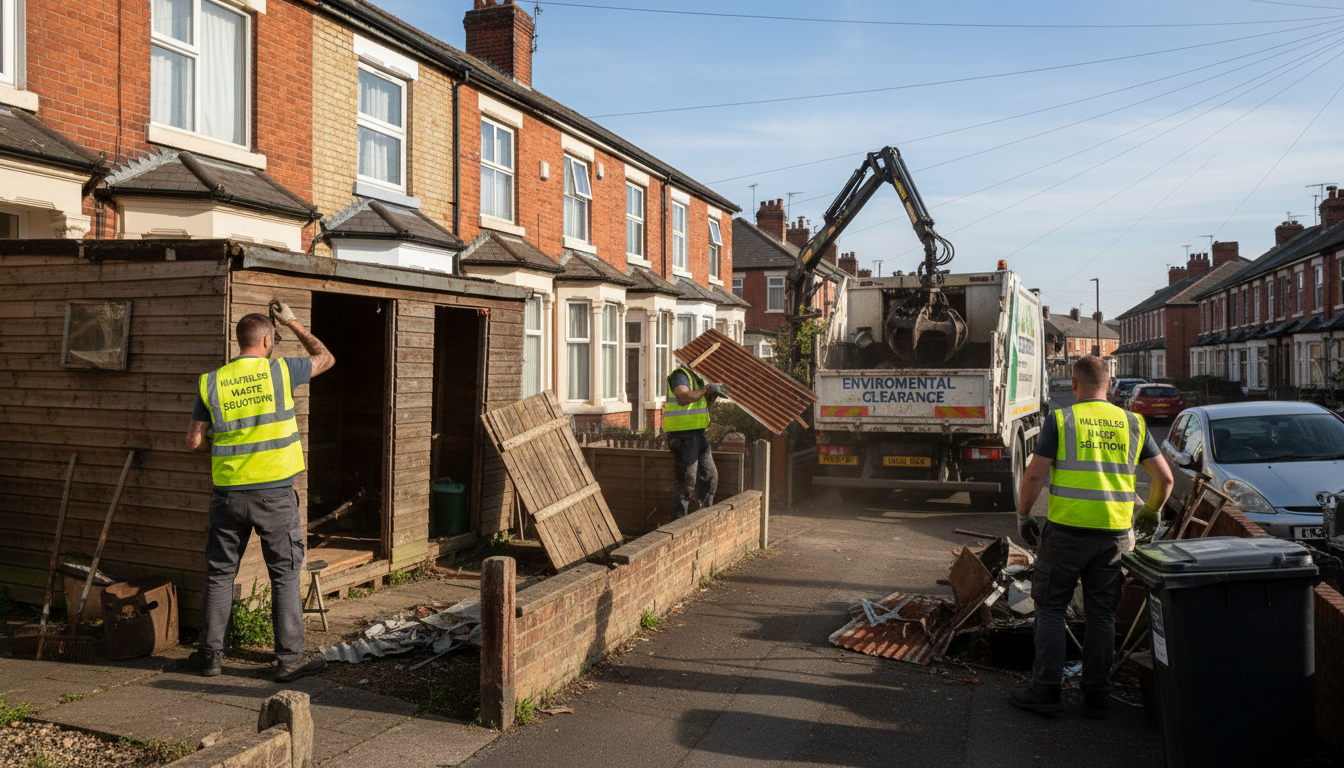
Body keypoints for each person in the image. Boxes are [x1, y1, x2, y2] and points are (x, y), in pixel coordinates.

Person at [1011, 355, 1172, 719]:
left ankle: (1046, 691)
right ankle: (1097, 696)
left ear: (1073, 383)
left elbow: (1035, 474)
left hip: (1067, 533)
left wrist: (1023, 515)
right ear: (1111, 385)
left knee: (1051, 610)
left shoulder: (1063, 419)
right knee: (1102, 617)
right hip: (1114, 536)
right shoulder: (1133, 422)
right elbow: (1165, 479)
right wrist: (1151, 510)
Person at [184, 302, 335, 682]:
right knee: (284, 575)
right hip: (275, 494)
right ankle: (288, 660)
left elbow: (193, 440)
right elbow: (326, 357)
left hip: (228, 493)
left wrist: (219, 444)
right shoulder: (282, 370)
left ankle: (210, 657)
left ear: (240, 342)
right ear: (267, 340)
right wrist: (293, 321)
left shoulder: (212, 381)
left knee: (219, 574)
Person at [664, 358, 724, 519]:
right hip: (682, 435)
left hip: (698, 434)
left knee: (710, 476)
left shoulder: (697, 380)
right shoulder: (680, 375)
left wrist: (713, 394)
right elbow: (683, 398)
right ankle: (677, 523)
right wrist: (705, 390)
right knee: (686, 483)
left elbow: (701, 403)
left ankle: (704, 517)